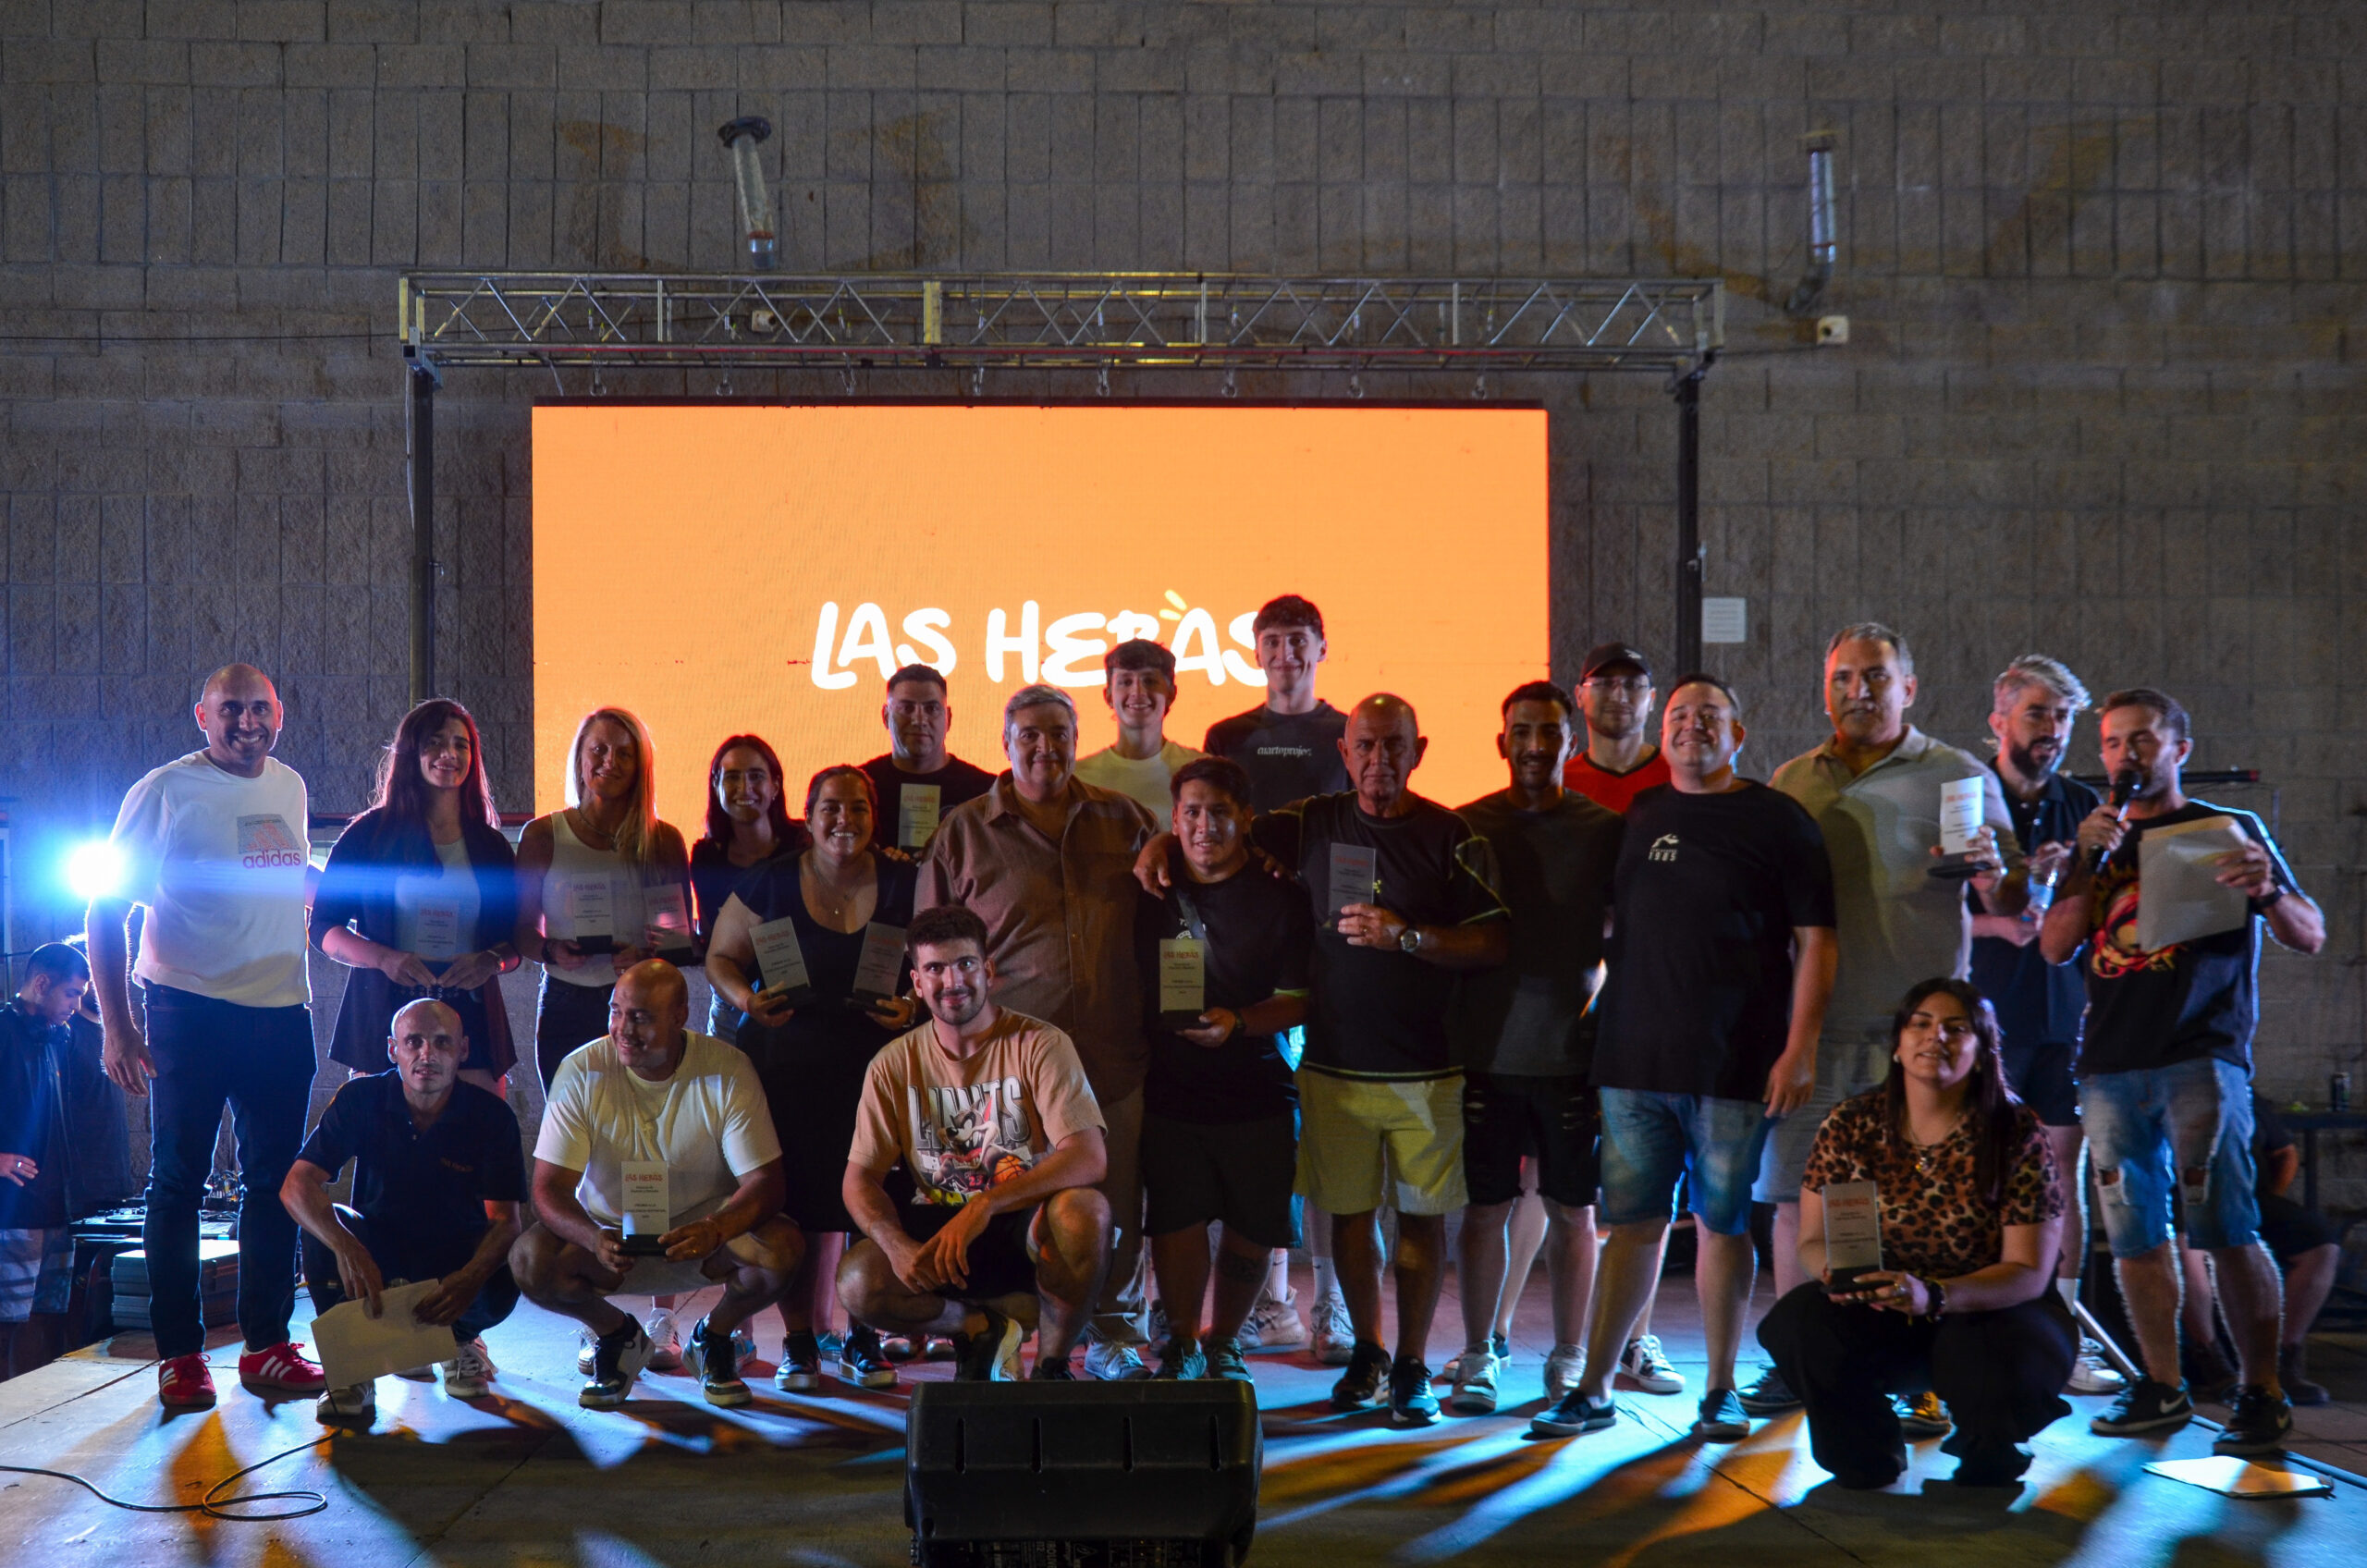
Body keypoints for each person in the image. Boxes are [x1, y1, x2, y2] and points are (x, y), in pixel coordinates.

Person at [1532, 676, 1837, 1441]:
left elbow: (1817, 941)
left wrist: (1800, 1049)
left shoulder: (1778, 819)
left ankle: (1721, 1390)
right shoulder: (1640, 815)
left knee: (1721, 1227)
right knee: (1632, 1226)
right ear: (1661, 734)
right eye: (1679, 716)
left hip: (1734, 1068)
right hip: (1633, 1065)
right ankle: (1594, 1391)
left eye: (1710, 716)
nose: (1692, 726)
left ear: (1739, 735)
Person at [2040, 688, 2325, 1456]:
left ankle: (2260, 1391)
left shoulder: (2225, 829)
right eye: (2111, 742)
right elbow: (2054, 946)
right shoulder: (2097, 839)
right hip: (2109, 1064)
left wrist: (2266, 889)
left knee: (2226, 1229)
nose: (2124, 755)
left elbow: (2309, 933)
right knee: (2135, 1235)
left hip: (2200, 1056)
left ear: (2179, 749)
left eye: (2141, 739)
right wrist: (2083, 862)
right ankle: (2161, 1385)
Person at [1748, 622, 2024, 1417]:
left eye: (1875, 676)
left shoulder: (1957, 774)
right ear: (1824, 689)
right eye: (1843, 677)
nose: (1858, 691)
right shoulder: (1793, 780)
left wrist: (1998, 874)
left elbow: (2011, 898)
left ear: (1909, 687)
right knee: (1798, 1201)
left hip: (1920, 1043)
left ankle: (1919, 1375)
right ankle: (1800, 1359)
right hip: (1817, 1032)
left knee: (1919, 1211)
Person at [1233, 692, 1509, 1425]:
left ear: (1419, 752)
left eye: (1394, 745)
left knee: (1420, 1222)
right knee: (1351, 1220)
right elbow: (1221, 831)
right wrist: (1160, 850)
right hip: (1335, 1066)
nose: (1379, 759)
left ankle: (1413, 1364)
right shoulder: (1311, 822)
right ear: (1344, 753)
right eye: (1366, 745)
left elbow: (1492, 941)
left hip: (1428, 1071)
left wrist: (1408, 937)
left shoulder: (1453, 836)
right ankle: (1370, 1352)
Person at [87, 664, 325, 1409]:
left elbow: (281, 878)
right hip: (189, 1012)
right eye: (231, 710)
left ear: (279, 714)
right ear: (202, 715)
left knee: (275, 1185)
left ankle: (267, 1346)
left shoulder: (290, 785)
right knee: (178, 1184)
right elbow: (105, 911)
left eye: (259, 709)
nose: (247, 723)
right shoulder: (165, 790)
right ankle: (181, 1355)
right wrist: (119, 1027)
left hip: (281, 1012)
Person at [920, 683, 1159, 1380]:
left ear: (1078, 739)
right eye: (1029, 734)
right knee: (1002, 1207)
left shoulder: (1124, 819)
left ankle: (1112, 1334)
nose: (1045, 747)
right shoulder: (963, 833)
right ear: (1005, 743)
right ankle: (1000, 1335)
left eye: (1058, 733)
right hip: (1006, 1071)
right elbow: (932, 951)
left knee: (1113, 1204)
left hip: (1111, 1057)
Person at [1758, 979, 2076, 1489]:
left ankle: (1991, 1440)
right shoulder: (1851, 1124)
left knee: (1994, 1369)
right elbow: (1813, 1239)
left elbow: (2028, 1271)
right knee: (1799, 1321)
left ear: (1982, 1051)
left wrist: (1935, 1295)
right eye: (1921, 1024)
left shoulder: (2016, 1132)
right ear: (1898, 1045)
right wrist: (1842, 1276)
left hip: (1990, 1311)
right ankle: (1865, 1448)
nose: (1936, 1037)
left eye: (1956, 1028)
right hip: (1883, 1307)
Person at [706, 766, 919, 1392]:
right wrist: (747, 1001)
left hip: (876, 1075)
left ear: (874, 815)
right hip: (784, 1072)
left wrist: (914, 1005)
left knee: (875, 1200)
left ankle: (864, 1337)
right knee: (793, 1206)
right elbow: (720, 956)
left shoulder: (905, 882)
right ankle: (799, 1343)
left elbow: (937, 959)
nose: (844, 819)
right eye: (831, 807)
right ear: (809, 814)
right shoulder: (771, 881)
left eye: (858, 807)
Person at [510, 961, 803, 1409]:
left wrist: (717, 1228)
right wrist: (592, 1237)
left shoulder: (727, 1068)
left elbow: (767, 1183)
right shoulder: (582, 1069)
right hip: (610, 1238)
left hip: (703, 1237)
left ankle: (714, 1337)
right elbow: (547, 1191)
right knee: (529, 1259)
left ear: (680, 1016)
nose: (623, 1030)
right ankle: (617, 1336)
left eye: (641, 1017)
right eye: (616, 1012)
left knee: (783, 1247)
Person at [839, 905, 1113, 1381]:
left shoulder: (1041, 1044)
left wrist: (985, 1205)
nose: (953, 981)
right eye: (935, 969)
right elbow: (859, 1178)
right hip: (939, 1230)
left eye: (965, 963)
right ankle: (980, 1328)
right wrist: (894, 1243)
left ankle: (1051, 1367)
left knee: (1086, 1211)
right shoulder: (892, 1063)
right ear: (916, 983)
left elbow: (1089, 1155)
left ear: (988, 969)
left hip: (1024, 1224)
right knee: (858, 1281)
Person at [1446, 681, 1623, 1414]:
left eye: (1550, 732)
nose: (1535, 745)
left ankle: (1570, 1357)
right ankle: (1480, 1353)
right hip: (1485, 1053)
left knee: (1574, 1212)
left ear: (1571, 744)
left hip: (1572, 1056)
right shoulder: (1466, 825)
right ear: (1501, 742)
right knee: (1484, 1211)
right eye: (1522, 731)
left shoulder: (1605, 829)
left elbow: (1631, 927)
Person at [1202, 594, 1355, 1363]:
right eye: (1273, 641)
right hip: (1247, 958)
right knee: (1260, 1136)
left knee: (1323, 1138)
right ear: (1256, 652)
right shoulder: (1228, 737)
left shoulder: (1346, 733)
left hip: (1331, 954)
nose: (1286, 654)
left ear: (1321, 648)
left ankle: (1332, 1302)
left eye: (1299, 641)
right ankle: (1269, 1302)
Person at [1134, 756, 1314, 1382]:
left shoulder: (1281, 894)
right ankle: (1183, 1342)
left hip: (1259, 1086)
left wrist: (1238, 1022)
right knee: (1176, 1220)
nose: (1204, 826)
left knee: (1252, 1226)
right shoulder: (1152, 888)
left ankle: (1226, 1343)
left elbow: (1298, 1000)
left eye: (1218, 812)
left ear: (1246, 818)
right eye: (1191, 812)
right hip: (1170, 1087)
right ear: (1174, 818)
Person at [1967, 656, 2118, 1395]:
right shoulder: (1968, 797)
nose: (2052, 730)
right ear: (1999, 721)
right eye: (2037, 714)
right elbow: (1927, 905)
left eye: (2062, 718)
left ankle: (2061, 1341)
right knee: (1974, 1178)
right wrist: (1997, 925)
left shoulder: (2085, 806)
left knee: (2061, 1178)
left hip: (2063, 1019)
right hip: (1981, 1021)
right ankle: (1969, 1337)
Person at [280, 998, 523, 1425]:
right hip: (378, 1256)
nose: (427, 1054)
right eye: (414, 1042)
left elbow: (506, 1220)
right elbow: (296, 1185)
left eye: (442, 1042)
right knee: (322, 1224)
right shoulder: (361, 1098)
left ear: (463, 1050)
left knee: (513, 1258)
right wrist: (348, 1248)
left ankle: (459, 1339)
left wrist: (470, 1279)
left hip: (452, 1262)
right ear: (393, 1049)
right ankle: (354, 1365)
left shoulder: (491, 1116)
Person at [313, 699, 522, 1097]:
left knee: (479, 1134)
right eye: (435, 743)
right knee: (380, 1134)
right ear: (412, 753)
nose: (449, 754)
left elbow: (515, 943)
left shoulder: (490, 844)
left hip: (471, 1014)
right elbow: (323, 927)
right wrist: (383, 958)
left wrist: (489, 962)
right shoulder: (369, 835)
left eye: (461, 744)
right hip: (384, 1014)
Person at [514, 706, 697, 1094]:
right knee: (571, 1125)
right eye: (599, 750)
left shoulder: (663, 841)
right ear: (580, 758)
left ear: (639, 768)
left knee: (645, 1120)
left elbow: (679, 940)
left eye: (624, 754)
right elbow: (521, 930)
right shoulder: (542, 835)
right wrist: (551, 950)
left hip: (645, 1004)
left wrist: (647, 957)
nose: (610, 762)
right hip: (566, 1003)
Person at [0, 945, 111, 1380]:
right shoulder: (4, 1030)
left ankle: (37, 1409)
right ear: (42, 983)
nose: (75, 1005)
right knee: (7, 1322)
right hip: (13, 1211)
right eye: (71, 994)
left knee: (48, 1318)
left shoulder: (55, 1036)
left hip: (55, 1206)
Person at [690, 733, 803, 1043]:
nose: (745, 788)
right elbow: (710, 933)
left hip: (798, 1001)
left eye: (756, 776)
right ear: (716, 784)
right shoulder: (705, 856)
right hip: (732, 1001)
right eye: (732, 777)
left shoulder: (804, 843)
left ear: (775, 785)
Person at [2248, 1096, 2341, 1405]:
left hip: (2254, 1200)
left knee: (2320, 1243)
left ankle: (2284, 1355)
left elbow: (2286, 1152)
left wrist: (2273, 1198)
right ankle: (2209, 1358)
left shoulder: (2245, 1093)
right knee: (2187, 1247)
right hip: (2186, 1201)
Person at [861, 666, 998, 853]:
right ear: (886, 716)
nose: (919, 719)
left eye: (931, 709)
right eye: (907, 708)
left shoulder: (986, 791)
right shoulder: (859, 788)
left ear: (948, 718)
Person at [1075, 639, 1207, 815]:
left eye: (1150, 681)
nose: (1137, 692)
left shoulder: (1202, 772)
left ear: (1171, 693)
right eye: (1126, 682)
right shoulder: (1079, 779)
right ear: (1108, 696)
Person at [1563, 643, 1673, 811]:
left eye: (1632, 685)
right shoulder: (1561, 784)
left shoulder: (1678, 778)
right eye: (1604, 684)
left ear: (1652, 699)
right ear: (1579, 696)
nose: (1619, 696)